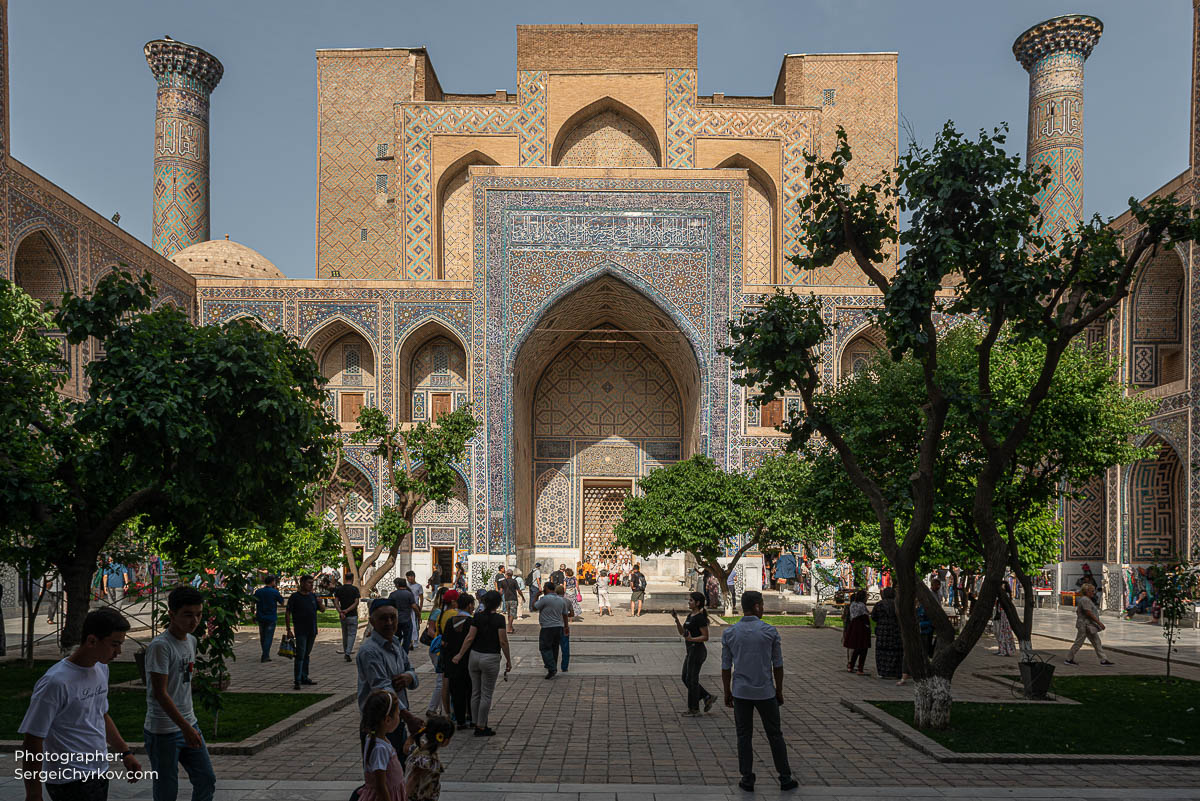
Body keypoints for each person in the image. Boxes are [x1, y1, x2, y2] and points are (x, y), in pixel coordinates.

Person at [19, 607, 143, 801]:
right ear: (92, 641)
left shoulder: (101, 668)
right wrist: (33, 794)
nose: (119, 652)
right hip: (69, 778)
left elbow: (100, 714)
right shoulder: (56, 682)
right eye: (114, 644)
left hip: (98, 770)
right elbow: (33, 740)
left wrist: (125, 752)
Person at [144, 585, 216, 801]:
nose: (194, 621)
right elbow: (160, 693)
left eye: (198, 614)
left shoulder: (191, 641)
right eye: (187, 615)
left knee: (206, 779)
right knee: (167, 788)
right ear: (172, 614)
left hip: (189, 724)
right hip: (163, 730)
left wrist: (188, 725)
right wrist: (184, 727)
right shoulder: (160, 646)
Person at [720, 591, 797, 793]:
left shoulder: (730, 633)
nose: (763, 608)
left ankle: (747, 777)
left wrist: (727, 691)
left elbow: (726, 667)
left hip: (741, 691)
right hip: (765, 691)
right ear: (756, 606)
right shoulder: (769, 632)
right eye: (761, 605)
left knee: (744, 735)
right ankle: (785, 776)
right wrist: (779, 690)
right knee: (775, 735)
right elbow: (777, 665)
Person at [357, 599, 423, 752]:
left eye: (393, 617)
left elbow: (411, 670)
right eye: (383, 618)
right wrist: (408, 717)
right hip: (378, 724)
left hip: (396, 720)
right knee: (381, 771)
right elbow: (381, 687)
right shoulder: (370, 651)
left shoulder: (394, 643)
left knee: (398, 769)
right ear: (372, 621)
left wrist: (409, 677)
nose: (389, 622)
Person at [451, 590, 510, 737]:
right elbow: (502, 641)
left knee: (475, 692)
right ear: (498, 603)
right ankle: (481, 726)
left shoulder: (477, 617)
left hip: (475, 656)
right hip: (490, 657)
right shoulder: (499, 619)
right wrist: (508, 659)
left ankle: (475, 721)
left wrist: (460, 654)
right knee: (486, 694)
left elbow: (470, 638)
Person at [357, 689, 407, 801]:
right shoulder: (380, 748)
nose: (399, 717)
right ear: (388, 720)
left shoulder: (373, 739)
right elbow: (380, 786)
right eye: (398, 714)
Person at [672, 591, 715, 716]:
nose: (689, 602)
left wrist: (692, 640)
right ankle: (706, 696)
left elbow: (705, 637)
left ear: (697, 603)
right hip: (690, 650)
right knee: (685, 677)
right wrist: (676, 620)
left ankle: (694, 709)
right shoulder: (690, 616)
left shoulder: (700, 618)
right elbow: (683, 632)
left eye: (691, 601)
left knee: (692, 679)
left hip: (697, 651)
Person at [439, 593, 474, 730]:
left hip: (452, 661)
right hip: (468, 661)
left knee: (456, 691)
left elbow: (444, 642)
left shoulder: (450, 621)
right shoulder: (472, 622)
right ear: (470, 605)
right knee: (470, 690)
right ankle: (471, 717)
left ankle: (459, 720)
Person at [285, 574, 325, 690]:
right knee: (300, 655)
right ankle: (297, 680)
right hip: (301, 630)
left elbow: (322, 610)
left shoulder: (313, 596)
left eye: (312, 583)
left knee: (306, 654)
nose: (311, 585)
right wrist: (288, 629)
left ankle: (304, 677)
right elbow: (288, 613)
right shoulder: (295, 597)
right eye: (309, 583)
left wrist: (320, 602)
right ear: (302, 583)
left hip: (312, 630)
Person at [404, 715, 454, 801]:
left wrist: (413, 735)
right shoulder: (427, 760)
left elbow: (406, 748)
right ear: (445, 740)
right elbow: (413, 778)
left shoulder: (418, 748)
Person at [1064, 582, 1113, 666]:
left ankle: (1103, 660)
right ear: (1086, 591)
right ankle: (1069, 659)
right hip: (1085, 625)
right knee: (1079, 642)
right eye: (1092, 591)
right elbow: (1088, 612)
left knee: (1097, 642)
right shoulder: (1085, 600)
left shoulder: (1087, 599)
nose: (1093, 592)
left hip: (1089, 625)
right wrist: (1099, 623)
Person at [422, 587, 448, 716]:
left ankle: (441, 708)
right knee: (441, 680)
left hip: (441, 648)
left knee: (443, 680)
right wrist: (440, 640)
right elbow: (430, 630)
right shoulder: (437, 612)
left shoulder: (447, 612)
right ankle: (432, 708)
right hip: (437, 649)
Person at [535, 580, 568, 679]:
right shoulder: (561, 600)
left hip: (547, 627)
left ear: (547, 589)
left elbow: (534, 607)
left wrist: (536, 596)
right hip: (558, 627)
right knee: (555, 647)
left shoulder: (544, 599)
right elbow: (565, 615)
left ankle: (551, 667)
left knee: (544, 647)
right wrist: (566, 627)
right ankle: (552, 665)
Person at [870, 586, 903, 681]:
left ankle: (883, 671)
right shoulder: (897, 604)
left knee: (882, 651)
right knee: (895, 651)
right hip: (895, 631)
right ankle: (896, 672)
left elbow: (873, 617)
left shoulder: (879, 605)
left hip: (882, 631)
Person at [252, 575, 284, 663]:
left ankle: (265, 654)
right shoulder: (274, 592)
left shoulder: (258, 591)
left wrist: (253, 615)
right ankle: (265, 655)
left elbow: (252, 603)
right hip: (271, 617)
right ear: (272, 582)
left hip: (261, 616)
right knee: (268, 637)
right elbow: (282, 602)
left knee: (263, 637)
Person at [843, 589, 870, 674]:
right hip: (861, 627)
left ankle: (851, 665)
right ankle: (860, 668)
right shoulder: (862, 605)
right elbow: (865, 616)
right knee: (863, 648)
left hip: (854, 626)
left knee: (856, 648)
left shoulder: (853, 604)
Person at [334, 578, 362, 662]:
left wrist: (341, 611)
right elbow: (356, 602)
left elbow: (336, 602)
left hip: (343, 616)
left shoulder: (339, 589)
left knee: (345, 634)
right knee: (352, 635)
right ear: (352, 579)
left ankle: (346, 650)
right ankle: (348, 652)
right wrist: (348, 610)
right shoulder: (355, 589)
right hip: (352, 615)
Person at [389, 578, 419, 652]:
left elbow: (389, 607)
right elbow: (414, 606)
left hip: (396, 620)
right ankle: (404, 652)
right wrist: (418, 615)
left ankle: (397, 651)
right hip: (407, 619)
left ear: (397, 585)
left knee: (396, 637)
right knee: (407, 638)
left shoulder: (393, 594)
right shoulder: (409, 594)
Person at [496, 568, 524, 634]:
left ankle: (510, 627)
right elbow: (519, 590)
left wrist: (498, 598)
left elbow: (500, 591)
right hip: (513, 599)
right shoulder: (514, 581)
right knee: (512, 614)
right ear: (512, 574)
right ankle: (509, 628)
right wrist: (522, 597)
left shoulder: (503, 582)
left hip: (506, 599)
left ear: (506, 574)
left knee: (509, 614)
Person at [994, 584, 1016, 657]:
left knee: (1003, 633)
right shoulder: (1002, 595)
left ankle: (1005, 650)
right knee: (1000, 633)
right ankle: (1002, 649)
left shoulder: (1005, 595)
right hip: (1002, 615)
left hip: (1004, 616)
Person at [556, 583, 573, 672]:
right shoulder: (567, 601)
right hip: (564, 626)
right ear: (564, 592)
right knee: (565, 648)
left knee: (553, 647)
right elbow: (572, 614)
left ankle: (552, 664)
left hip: (554, 626)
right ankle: (564, 666)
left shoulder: (553, 601)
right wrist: (565, 615)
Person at [406, 571, 425, 644]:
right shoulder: (406, 586)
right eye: (407, 578)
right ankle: (409, 640)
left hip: (416, 607)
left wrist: (420, 608)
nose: (409, 579)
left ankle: (416, 641)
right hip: (408, 607)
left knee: (416, 624)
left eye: (410, 577)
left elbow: (421, 598)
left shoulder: (418, 586)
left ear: (413, 577)